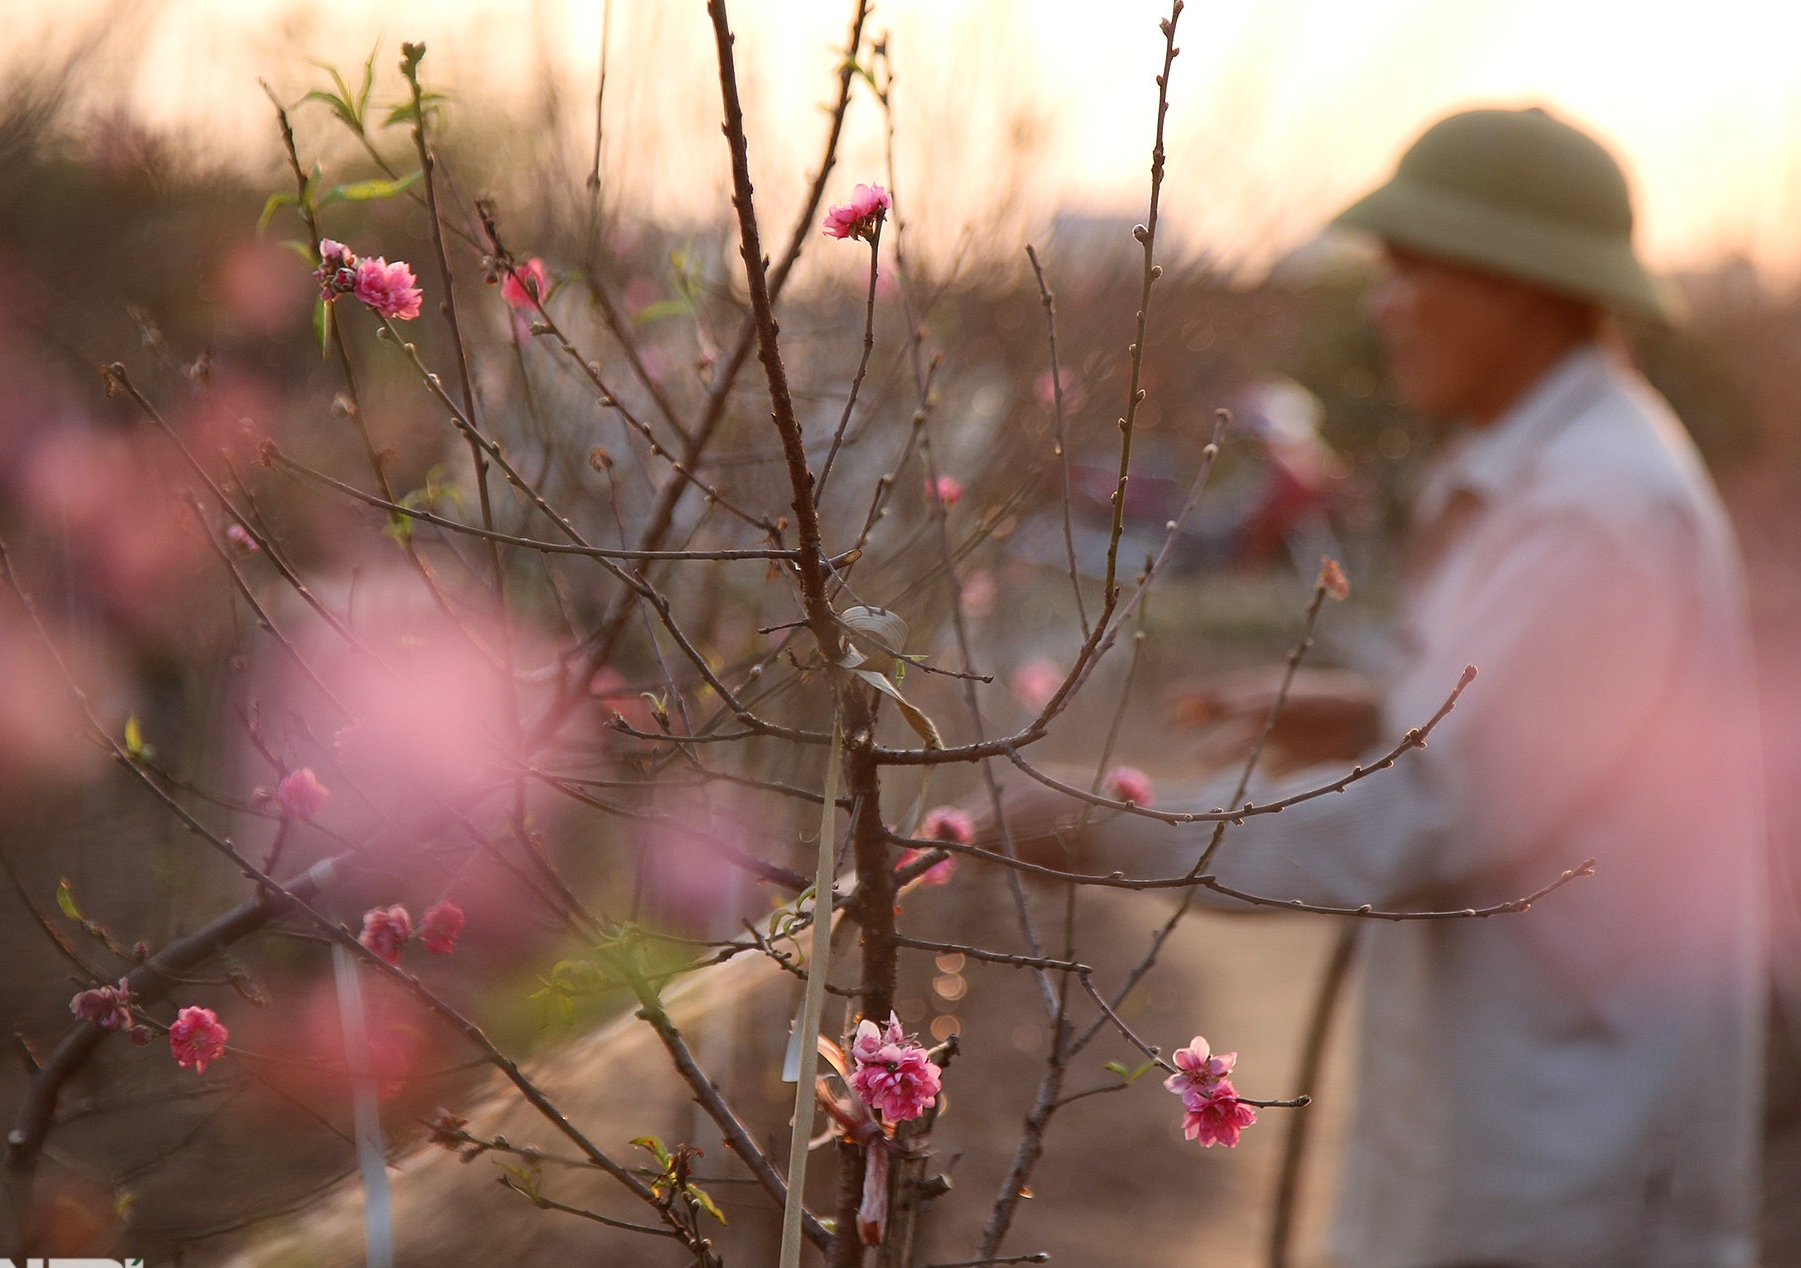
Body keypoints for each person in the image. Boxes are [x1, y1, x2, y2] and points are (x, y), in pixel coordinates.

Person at [1058, 106, 1768, 1266]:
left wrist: (1110, 829)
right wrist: (1384, 709)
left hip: (1565, 1152)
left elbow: (1424, 815)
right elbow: (1539, 737)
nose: (1381, 304)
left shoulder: (1593, 507)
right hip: (1525, 1117)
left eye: (1410, 271)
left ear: (1523, 288)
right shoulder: (1544, 469)